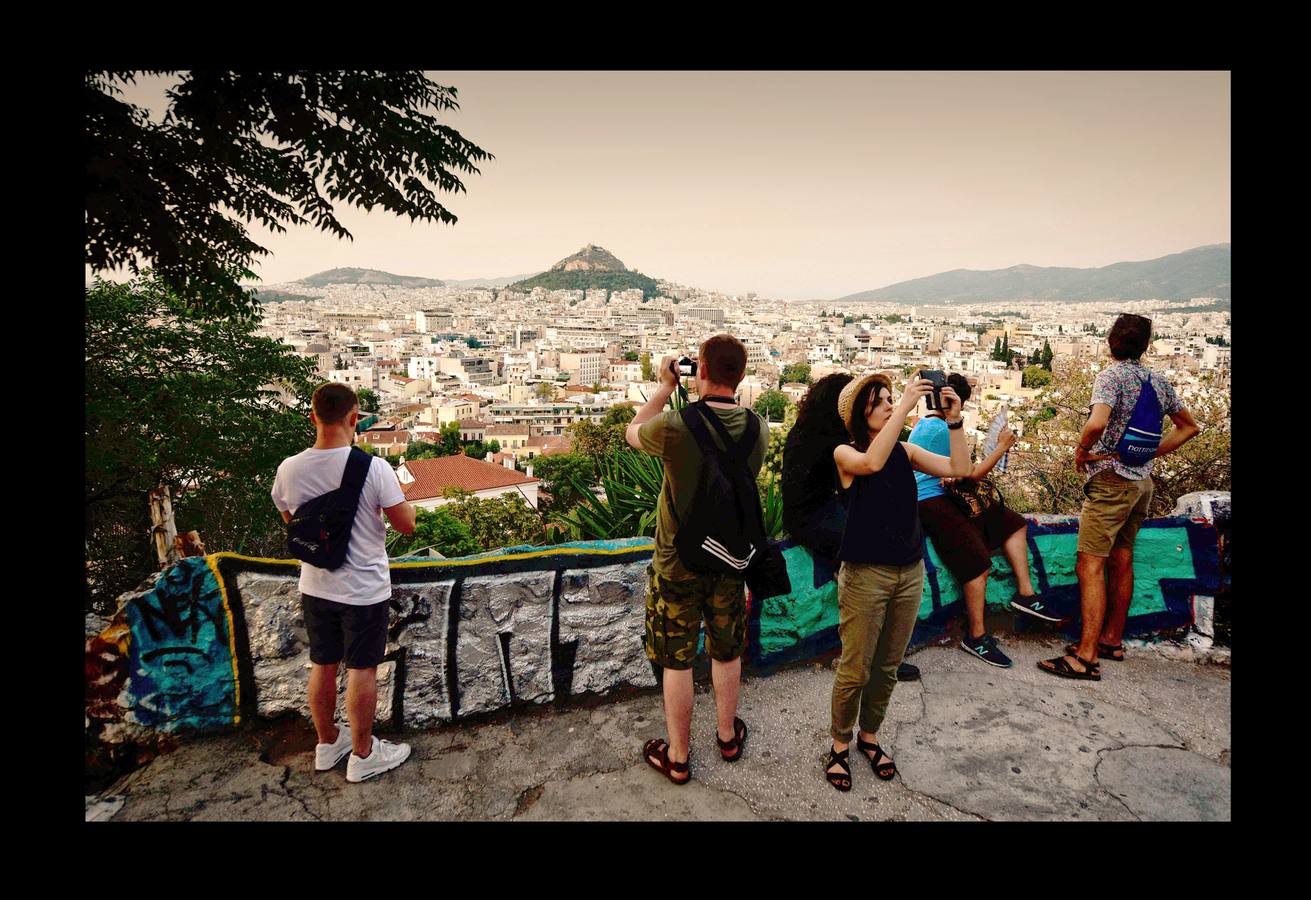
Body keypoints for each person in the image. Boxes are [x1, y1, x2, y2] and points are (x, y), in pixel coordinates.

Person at [626, 335, 768, 784]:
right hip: (730, 559)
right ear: (741, 376)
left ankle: (680, 756)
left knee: (678, 661)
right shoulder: (758, 427)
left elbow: (632, 432)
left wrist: (665, 386)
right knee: (727, 653)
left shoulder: (675, 425)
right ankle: (727, 736)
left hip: (676, 561)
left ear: (700, 370)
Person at [823, 373, 969, 792]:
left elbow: (961, 468)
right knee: (855, 669)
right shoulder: (846, 452)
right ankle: (838, 745)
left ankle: (869, 736)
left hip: (909, 571)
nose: (890, 405)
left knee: (887, 666)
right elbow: (870, 464)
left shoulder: (905, 452)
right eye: (881, 401)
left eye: (892, 398)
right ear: (859, 414)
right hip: (865, 575)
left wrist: (955, 422)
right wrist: (906, 405)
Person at [1039, 314, 1200, 681]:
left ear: (1111, 340)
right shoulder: (1158, 381)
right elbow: (1189, 426)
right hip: (1142, 483)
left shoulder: (1111, 377)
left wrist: (1082, 451)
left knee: (1090, 564)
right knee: (1122, 558)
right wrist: (1152, 453)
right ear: (1145, 345)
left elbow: (1097, 423)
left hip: (1111, 482)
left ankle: (1085, 656)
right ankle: (1111, 640)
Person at [271, 382, 418, 782]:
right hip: (363, 587)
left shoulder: (289, 468)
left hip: (315, 585)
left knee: (322, 663)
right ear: (355, 419)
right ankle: (363, 754)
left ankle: (326, 743)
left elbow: (293, 524)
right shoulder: (373, 468)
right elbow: (407, 527)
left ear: (312, 417)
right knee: (362, 669)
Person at [909, 373, 1057, 669]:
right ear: (960, 403)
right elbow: (971, 473)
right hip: (929, 502)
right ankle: (976, 636)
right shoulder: (940, 428)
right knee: (977, 566)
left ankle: (1026, 594)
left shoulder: (927, 423)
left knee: (1012, 523)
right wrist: (1001, 447)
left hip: (943, 495)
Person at [782, 373, 920, 681]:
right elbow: (870, 465)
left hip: (806, 514)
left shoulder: (809, 431)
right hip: (815, 517)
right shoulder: (835, 442)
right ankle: (867, 656)